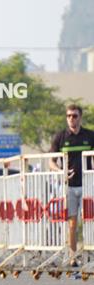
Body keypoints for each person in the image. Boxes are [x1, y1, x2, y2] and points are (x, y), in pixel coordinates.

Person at [49, 104, 94, 266]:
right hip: (69, 186)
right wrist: (61, 171)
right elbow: (51, 161)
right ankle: (73, 256)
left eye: (74, 116)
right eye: (68, 116)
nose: (71, 119)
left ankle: (89, 254)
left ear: (80, 117)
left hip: (88, 185)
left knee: (89, 220)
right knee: (72, 223)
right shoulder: (61, 136)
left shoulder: (90, 135)